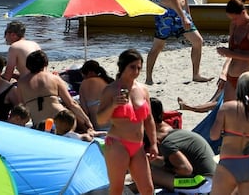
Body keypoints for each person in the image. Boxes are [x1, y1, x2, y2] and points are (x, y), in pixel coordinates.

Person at [97, 49, 158, 195]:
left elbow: (149, 119)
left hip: (138, 146)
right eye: (132, 67)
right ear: (122, 66)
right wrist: (113, 105)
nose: (136, 71)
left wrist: (154, 143)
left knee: (148, 189)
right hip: (117, 143)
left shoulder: (143, 90)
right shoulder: (111, 90)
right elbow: (100, 119)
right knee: (117, 189)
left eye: (139, 68)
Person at [17, 50, 93, 131]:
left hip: (40, 125)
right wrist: (87, 120)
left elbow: (22, 107)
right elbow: (71, 103)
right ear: (45, 63)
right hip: (62, 121)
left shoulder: (21, 83)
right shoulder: (53, 78)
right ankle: (88, 131)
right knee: (72, 111)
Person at [150, 99, 216, 191]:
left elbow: (185, 170)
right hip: (215, 181)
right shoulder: (178, 135)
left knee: (152, 174)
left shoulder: (167, 143)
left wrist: (165, 169)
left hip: (203, 185)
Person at [217, 0, 249, 101]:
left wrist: (230, 53)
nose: (233, 21)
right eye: (231, 19)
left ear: (243, 13)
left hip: (247, 77)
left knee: (246, 112)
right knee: (228, 109)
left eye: (235, 19)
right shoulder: (233, 25)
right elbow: (232, 51)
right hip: (231, 75)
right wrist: (225, 52)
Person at [79, 60, 114, 130]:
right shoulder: (107, 81)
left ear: (89, 72)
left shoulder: (84, 83)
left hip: (99, 127)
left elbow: (85, 111)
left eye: (84, 75)